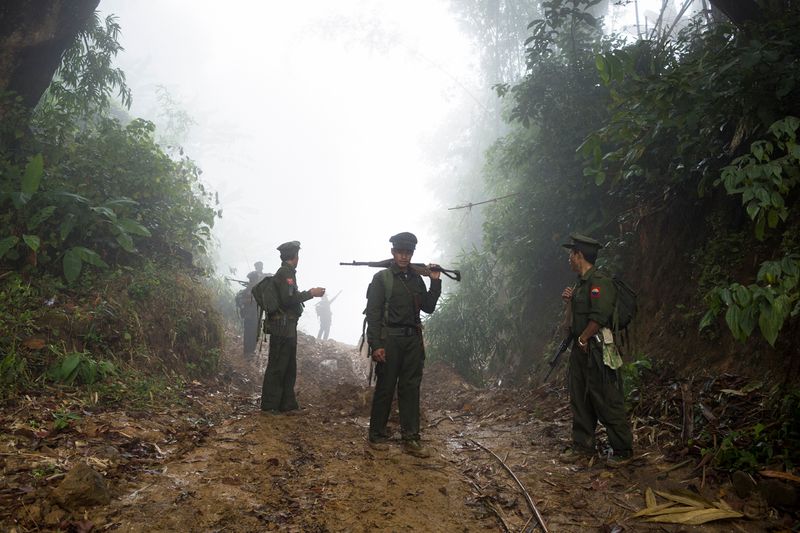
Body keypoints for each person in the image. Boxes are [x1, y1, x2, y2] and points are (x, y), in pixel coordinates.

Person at [560, 233, 633, 466]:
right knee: (580, 397)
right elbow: (570, 323)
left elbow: (599, 317)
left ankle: (622, 449)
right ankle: (583, 445)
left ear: (579, 255)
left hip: (597, 349)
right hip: (581, 350)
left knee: (606, 397)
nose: (569, 259)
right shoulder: (579, 285)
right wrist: (570, 304)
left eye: (571, 254)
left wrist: (583, 339)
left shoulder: (599, 281)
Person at [366, 232, 442, 458]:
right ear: (393, 252)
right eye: (400, 252)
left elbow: (427, 307)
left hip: (412, 340)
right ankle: (377, 435)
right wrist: (376, 344)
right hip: (390, 338)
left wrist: (435, 281)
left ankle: (411, 438)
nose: (404, 256)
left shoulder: (416, 279)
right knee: (386, 387)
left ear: (412, 254)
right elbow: (374, 313)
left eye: (408, 252)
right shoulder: (383, 279)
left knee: (410, 388)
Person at [260, 241, 325, 413]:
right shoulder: (286, 273)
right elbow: (288, 299)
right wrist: (311, 293)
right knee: (278, 366)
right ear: (295, 257)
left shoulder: (286, 272)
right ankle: (270, 406)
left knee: (288, 366)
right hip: (283, 327)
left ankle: (286, 404)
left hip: (286, 326)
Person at [240, 271, 260, 357]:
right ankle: (247, 352)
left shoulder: (255, 288)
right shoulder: (248, 290)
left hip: (254, 314)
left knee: (253, 333)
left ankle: (251, 350)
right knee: (249, 333)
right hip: (249, 315)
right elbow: (243, 301)